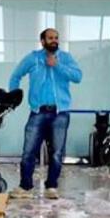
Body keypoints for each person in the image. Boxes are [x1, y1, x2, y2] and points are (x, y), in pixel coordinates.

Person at [8, 28, 83, 200]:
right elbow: (15, 76)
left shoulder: (66, 58)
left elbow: (78, 77)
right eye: (50, 38)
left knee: (57, 153)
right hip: (38, 112)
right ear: (42, 41)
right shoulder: (33, 58)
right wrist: (13, 97)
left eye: (56, 37)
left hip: (60, 113)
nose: (54, 40)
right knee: (28, 152)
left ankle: (52, 187)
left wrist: (57, 65)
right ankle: (25, 187)